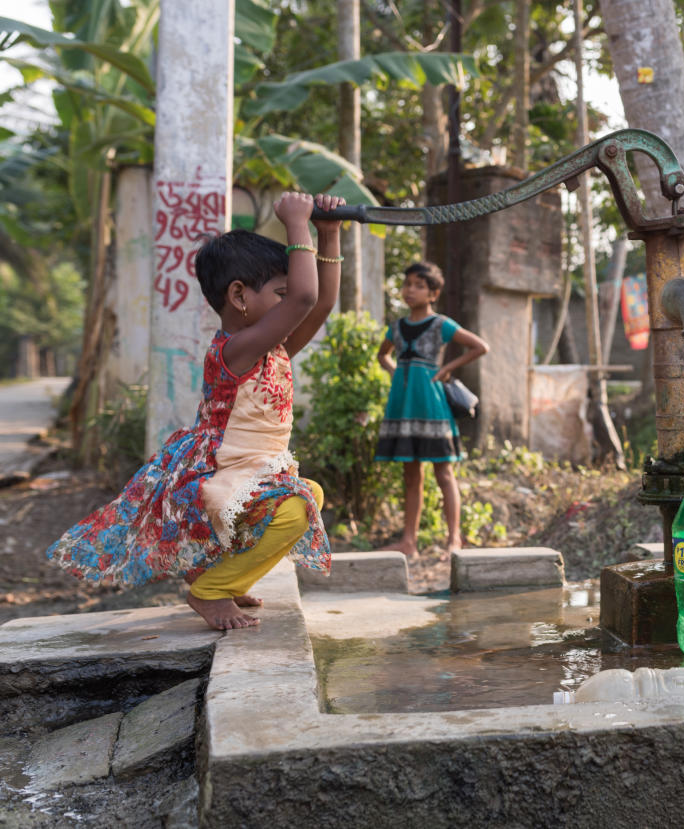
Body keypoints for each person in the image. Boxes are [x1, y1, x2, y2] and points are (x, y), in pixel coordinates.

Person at [46, 192, 346, 630]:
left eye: (285, 293)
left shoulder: (272, 349)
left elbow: (317, 304)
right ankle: (210, 591)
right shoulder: (237, 350)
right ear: (239, 295)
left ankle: (223, 576)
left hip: (250, 469)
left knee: (309, 496)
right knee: (299, 508)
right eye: (278, 294)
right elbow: (303, 299)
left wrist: (329, 234)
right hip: (219, 470)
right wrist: (296, 224)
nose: (288, 305)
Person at [375, 262, 489, 559]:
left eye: (418, 285)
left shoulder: (442, 324)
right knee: (411, 476)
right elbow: (382, 355)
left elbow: (480, 347)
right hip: (403, 406)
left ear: (433, 293)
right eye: (407, 283)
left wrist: (447, 369)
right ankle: (408, 543)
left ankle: (454, 539)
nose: (410, 290)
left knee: (444, 472)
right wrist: (399, 375)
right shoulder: (397, 327)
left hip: (432, 405)